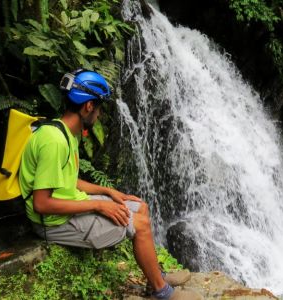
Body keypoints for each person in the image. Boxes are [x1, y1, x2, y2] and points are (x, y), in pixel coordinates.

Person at [19, 69, 201, 300]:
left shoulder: (65, 133)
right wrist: (98, 206)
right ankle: (161, 291)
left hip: (71, 209)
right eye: (99, 107)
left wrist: (107, 192)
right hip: (54, 223)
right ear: (88, 106)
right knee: (140, 223)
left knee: (140, 206)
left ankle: (157, 275)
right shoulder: (54, 141)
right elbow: (42, 203)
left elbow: (67, 181)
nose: (99, 114)